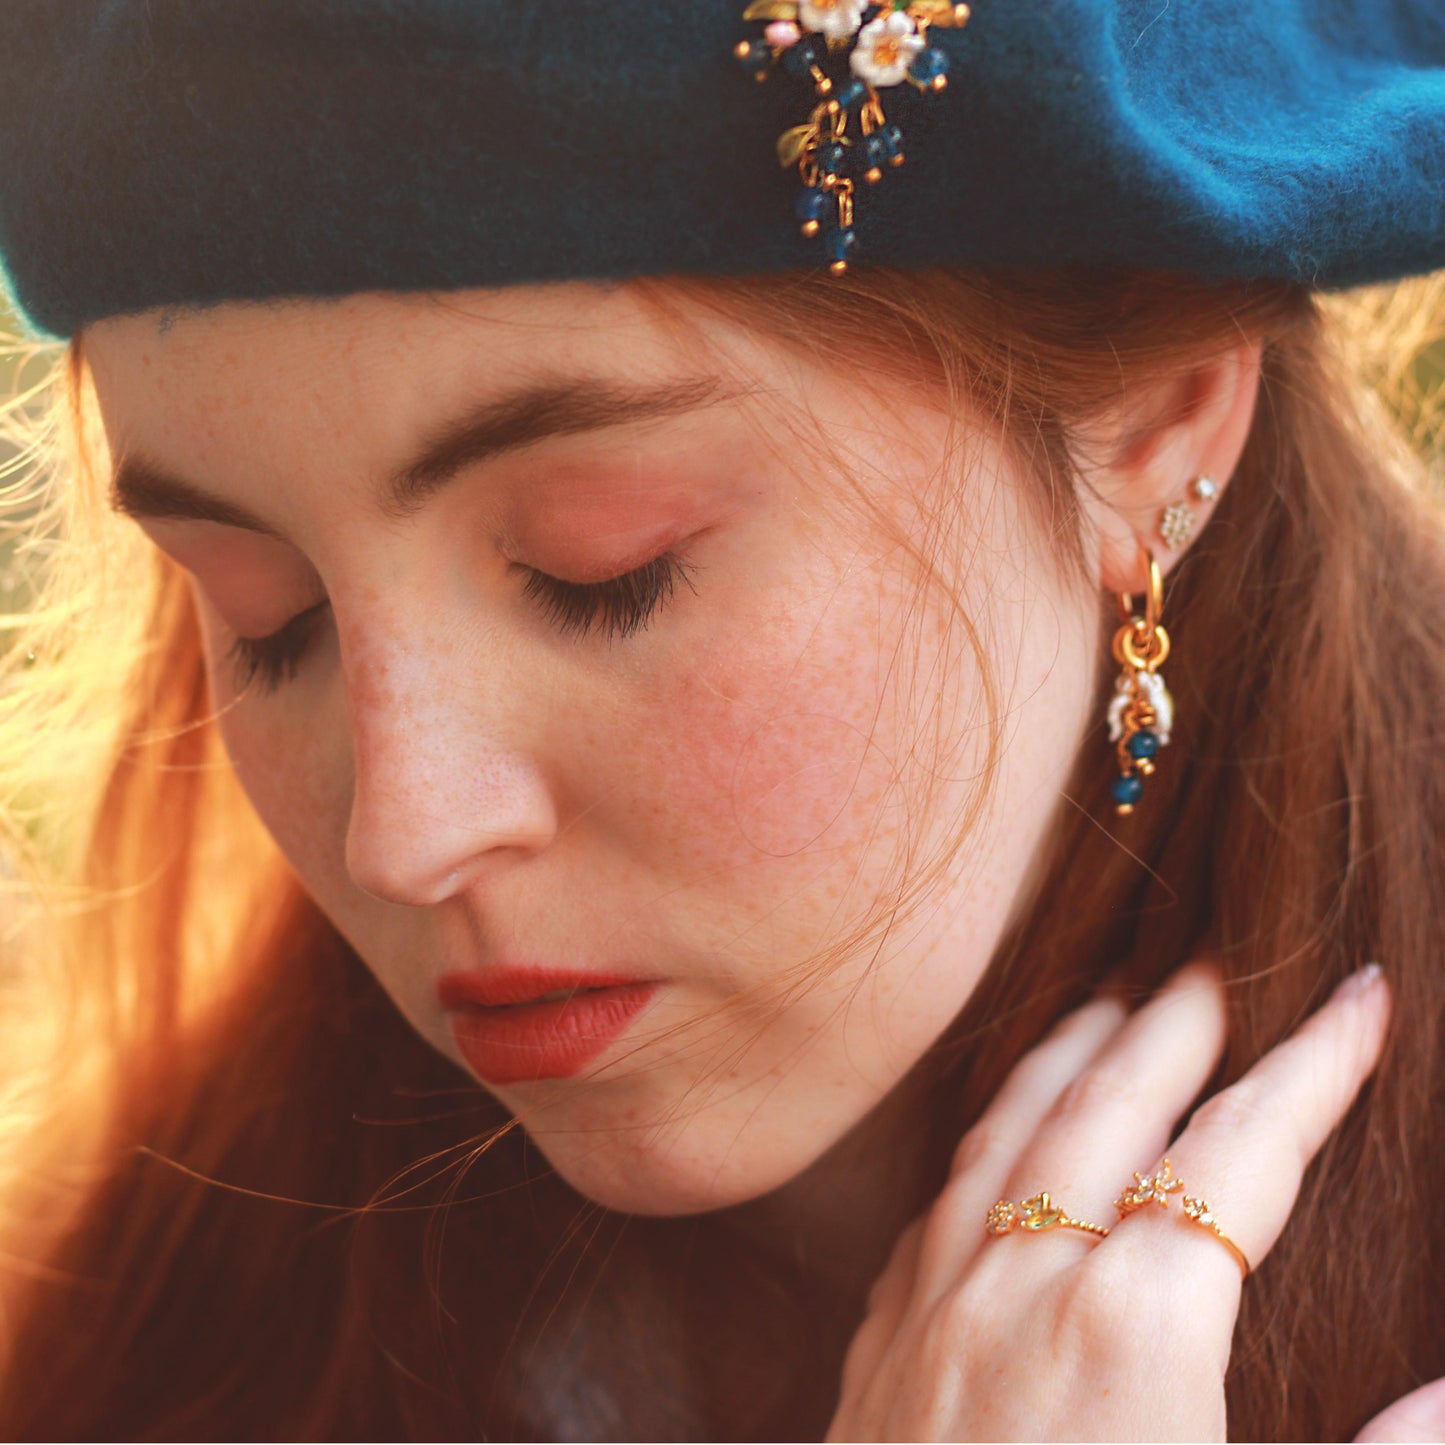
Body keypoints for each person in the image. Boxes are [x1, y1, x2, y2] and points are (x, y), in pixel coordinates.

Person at [0, 3, 1442, 1440]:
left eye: (604, 572)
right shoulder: (142, 1348)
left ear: (1151, 421)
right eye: (268, 616)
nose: (405, 832)